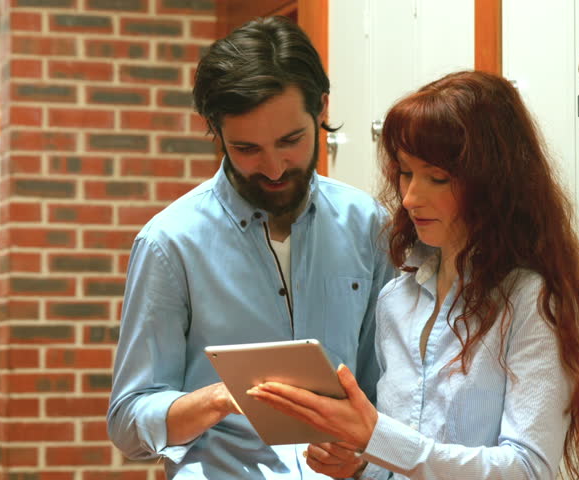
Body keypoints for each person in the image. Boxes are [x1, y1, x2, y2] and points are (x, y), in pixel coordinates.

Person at [248, 70, 579, 479]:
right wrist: (358, 463)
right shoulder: (397, 298)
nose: (410, 198)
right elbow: (397, 460)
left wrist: (376, 437)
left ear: (492, 182)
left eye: (437, 178)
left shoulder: (533, 301)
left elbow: (527, 468)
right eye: (406, 173)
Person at [106, 16, 396, 479]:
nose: (275, 167)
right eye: (247, 149)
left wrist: (364, 455)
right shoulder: (169, 243)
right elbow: (128, 421)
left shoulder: (369, 227)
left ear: (322, 108)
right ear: (214, 130)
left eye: (292, 141)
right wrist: (217, 399)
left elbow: (389, 394)